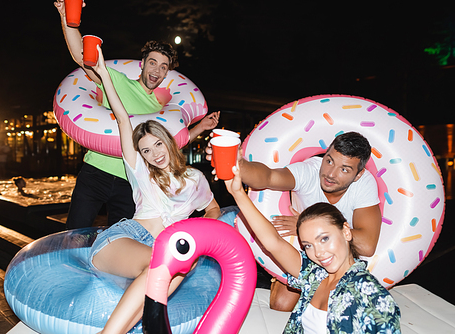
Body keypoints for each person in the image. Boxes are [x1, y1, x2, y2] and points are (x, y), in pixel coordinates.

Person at [87, 46, 221, 334]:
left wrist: (199, 233)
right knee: (165, 264)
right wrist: (103, 75)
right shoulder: (141, 170)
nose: (154, 154)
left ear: (169, 142)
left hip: (165, 248)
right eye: (146, 150)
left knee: (174, 265)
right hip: (125, 239)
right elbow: (123, 118)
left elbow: (212, 209)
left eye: (158, 144)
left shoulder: (195, 179)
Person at [54, 0, 220, 229]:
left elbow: (167, 145)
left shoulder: (160, 109)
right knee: (74, 234)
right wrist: (66, 16)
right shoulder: (118, 82)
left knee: (120, 240)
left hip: (131, 182)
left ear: (167, 74)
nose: (157, 70)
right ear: (142, 64)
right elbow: (80, 56)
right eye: (153, 63)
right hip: (96, 173)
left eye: (164, 67)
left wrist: (200, 128)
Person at [208, 131, 382, 311]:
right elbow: (268, 177)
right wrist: (238, 165)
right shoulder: (310, 171)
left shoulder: (364, 185)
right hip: (300, 250)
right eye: (329, 160)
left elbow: (367, 245)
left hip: (335, 252)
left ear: (358, 174)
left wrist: (307, 226)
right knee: (281, 305)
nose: (330, 173)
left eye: (344, 169)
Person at [225, 167, 401, 333]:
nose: (318, 253)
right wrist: (238, 193)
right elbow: (274, 242)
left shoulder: (373, 296)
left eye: (324, 239)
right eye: (308, 245)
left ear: (346, 232)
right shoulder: (315, 274)